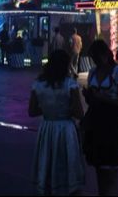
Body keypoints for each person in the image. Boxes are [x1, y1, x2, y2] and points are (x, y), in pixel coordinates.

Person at [29, 49, 85, 195]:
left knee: (47, 160)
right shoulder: (70, 84)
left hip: (47, 127)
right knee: (67, 162)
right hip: (66, 128)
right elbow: (79, 113)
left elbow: (32, 111)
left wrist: (48, 109)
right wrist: (64, 109)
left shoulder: (38, 84)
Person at [83, 40, 118, 196]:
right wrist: (89, 96)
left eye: (97, 57)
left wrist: (102, 98)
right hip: (96, 124)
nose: (96, 61)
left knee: (110, 172)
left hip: (114, 125)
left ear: (105, 55)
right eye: (93, 58)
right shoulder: (92, 72)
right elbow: (91, 101)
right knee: (99, 169)